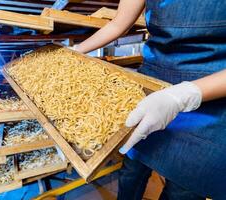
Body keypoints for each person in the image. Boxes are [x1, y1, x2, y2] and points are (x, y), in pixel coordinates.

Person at [73, 0, 226, 199]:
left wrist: (184, 95)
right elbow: (118, 24)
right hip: (152, 83)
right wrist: (77, 50)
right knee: (131, 170)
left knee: (182, 188)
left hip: (210, 94)